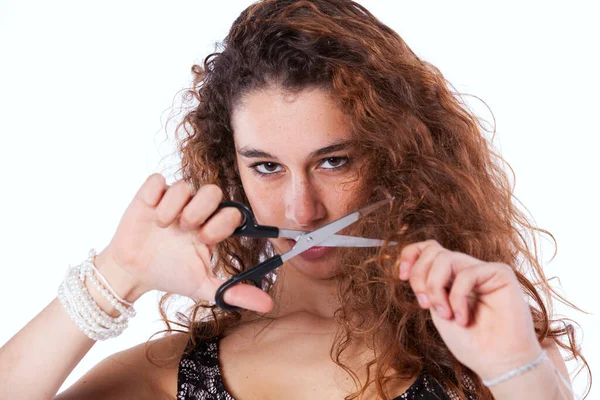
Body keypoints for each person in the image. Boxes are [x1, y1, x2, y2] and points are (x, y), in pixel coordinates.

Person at [0, 0, 591, 399]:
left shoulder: (490, 344)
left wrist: (514, 371)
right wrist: (116, 274)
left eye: (335, 161)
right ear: (232, 169)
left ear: (397, 156)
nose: (302, 211)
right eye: (267, 167)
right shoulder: (169, 375)